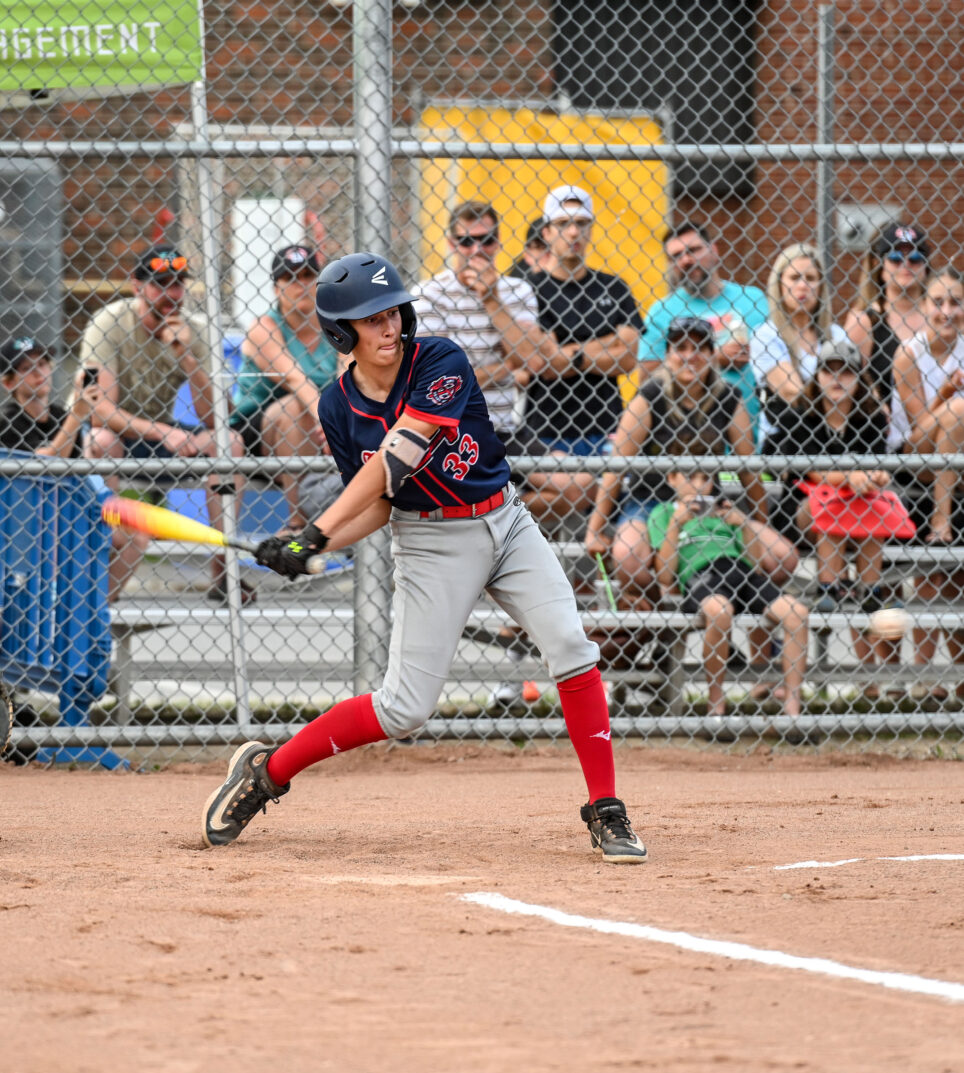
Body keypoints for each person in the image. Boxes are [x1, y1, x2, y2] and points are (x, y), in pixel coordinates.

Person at [204, 252, 647, 864]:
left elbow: (398, 455)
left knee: (571, 646)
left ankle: (606, 807)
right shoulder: (336, 408)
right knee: (404, 710)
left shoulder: (438, 359)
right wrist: (313, 544)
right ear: (341, 333)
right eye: (370, 319)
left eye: (393, 313)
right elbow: (382, 501)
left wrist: (316, 527)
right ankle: (268, 771)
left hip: (505, 522)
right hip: (432, 541)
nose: (389, 328)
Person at [78, 247, 247, 601]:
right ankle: (105, 558)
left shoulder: (194, 331)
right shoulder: (108, 322)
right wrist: (164, 432)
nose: (172, 294)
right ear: (137, 287)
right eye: (161, 285)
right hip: (120, 434)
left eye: (178, 284)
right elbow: (101, 412)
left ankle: (224, 573)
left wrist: (186, 355)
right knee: (101, 438)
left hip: (160, 433)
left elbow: (216, 416)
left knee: (229, 442)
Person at [587, 317, 786, 608]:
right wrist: (595, 528)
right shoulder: (651, 396)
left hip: (705, 500)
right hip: (650, 500)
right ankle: (667, 618)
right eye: (680, 347)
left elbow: (749, 470)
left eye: (700, 348)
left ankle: (719, 612)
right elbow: (617, 466)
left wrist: (758, 524)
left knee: (781, 557)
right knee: (629, 558)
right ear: (668, 354)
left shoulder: (727, 397)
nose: (690, 355)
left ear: (711, 354)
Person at [412, 202, 580, 524]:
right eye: (466, 241)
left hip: (504, 427)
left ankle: (499, 515)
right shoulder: (428, 294)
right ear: (451, 244)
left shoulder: (517, 290)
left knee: (578, 486)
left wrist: (491, 299)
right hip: (452, 432)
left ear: (499, 242)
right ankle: (496, 514)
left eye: (486, 240)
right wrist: (507, 365)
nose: (477, 249)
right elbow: (445, 382)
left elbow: (531, 360)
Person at [768, 342, 899, 694]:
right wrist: (850, 477)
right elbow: (808, 471)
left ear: (859, 378)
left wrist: (875, 478)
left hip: (859, 508)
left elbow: (874, 467)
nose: (838, 378)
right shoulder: (800, 414)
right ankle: (830, 586)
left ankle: (870, 590)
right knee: (829, 507)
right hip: (805, 511)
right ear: (817, 376)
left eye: (847, 371)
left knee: (869, 507)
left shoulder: (871, 416)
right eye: (829, 370)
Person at [649, 470, 810, 719]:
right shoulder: (664, 512)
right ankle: (716, 702)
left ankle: (792, 708)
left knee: (796, 613)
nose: (700, 485)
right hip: (702, 573)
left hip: (741, 571)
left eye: (706, 478)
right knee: (719, 610)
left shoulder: (721, 511)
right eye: (691, 477)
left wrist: (743, 525)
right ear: (671, 478)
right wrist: (676, 524)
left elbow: (756, 565)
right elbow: (665, 576)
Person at [524, 186, 643, 494]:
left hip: (606, 427)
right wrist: (605, 344)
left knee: (605, 510)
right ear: (547, 232)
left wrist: (571, 353)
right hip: (547, 428)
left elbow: (628, 357)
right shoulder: (528, 290)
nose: (574, 232)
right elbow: (545, 362)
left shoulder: (614, 287)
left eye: (582, 223)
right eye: (563, 224)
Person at [887, 269, 964, 687]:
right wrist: (946, 397)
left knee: (952, 578)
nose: (946, 311)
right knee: (955, 413)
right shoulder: (908, 354)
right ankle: (941, 519)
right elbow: (917, 434)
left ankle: (954, 676)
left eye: (955, 302)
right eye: (938, 302)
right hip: (915, 462)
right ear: (924, 306)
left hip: (959, 461)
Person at [230, 245, 340, 527]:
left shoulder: (337, 324)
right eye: (290, 278)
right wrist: (330, 423)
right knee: (294, 407)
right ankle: (298, 525)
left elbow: (348, 378)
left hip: (325, 425)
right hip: (259, 428)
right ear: (276, 288)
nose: (300, 285)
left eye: (307, 276)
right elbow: (294, 379)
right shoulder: (263, 327)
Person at [638, 222, 770, 428]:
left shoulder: (753, 300)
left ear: (714, 251)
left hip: (753, 430)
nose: (686, 260)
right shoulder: (661, 312)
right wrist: (714, 358)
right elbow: (646, 378)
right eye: (676, 256)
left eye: (694, 250)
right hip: (685, 434)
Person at [747, 244, 854, 445]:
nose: (803, 286)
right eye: (794, 278)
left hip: (838, 435)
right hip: (789, 439)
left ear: (821, 286)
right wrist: (840, 393)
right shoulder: (766, 335)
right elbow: (793, 393)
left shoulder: (836, 334)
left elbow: (858, 388)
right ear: (779, 284)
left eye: (811, 279)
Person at [845, 222, 931, 405]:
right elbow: (853, 380)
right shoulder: (865, 321)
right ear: (878, 263)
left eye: (915, 256)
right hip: (887, 427)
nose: (906, 264)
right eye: (895, 257)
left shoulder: (942, 315)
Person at [0, 336, 99, 456]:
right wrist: (77, 414)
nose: (38, 372)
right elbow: (46, 466)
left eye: (42, 364)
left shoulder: (61, 417)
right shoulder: (8, 423)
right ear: (9, 383)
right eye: (27, 368)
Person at [505, 217, 549, 282]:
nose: (548, 253)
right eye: (542, 247)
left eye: (552, 246)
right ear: (527, 254)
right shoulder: (518, 281)